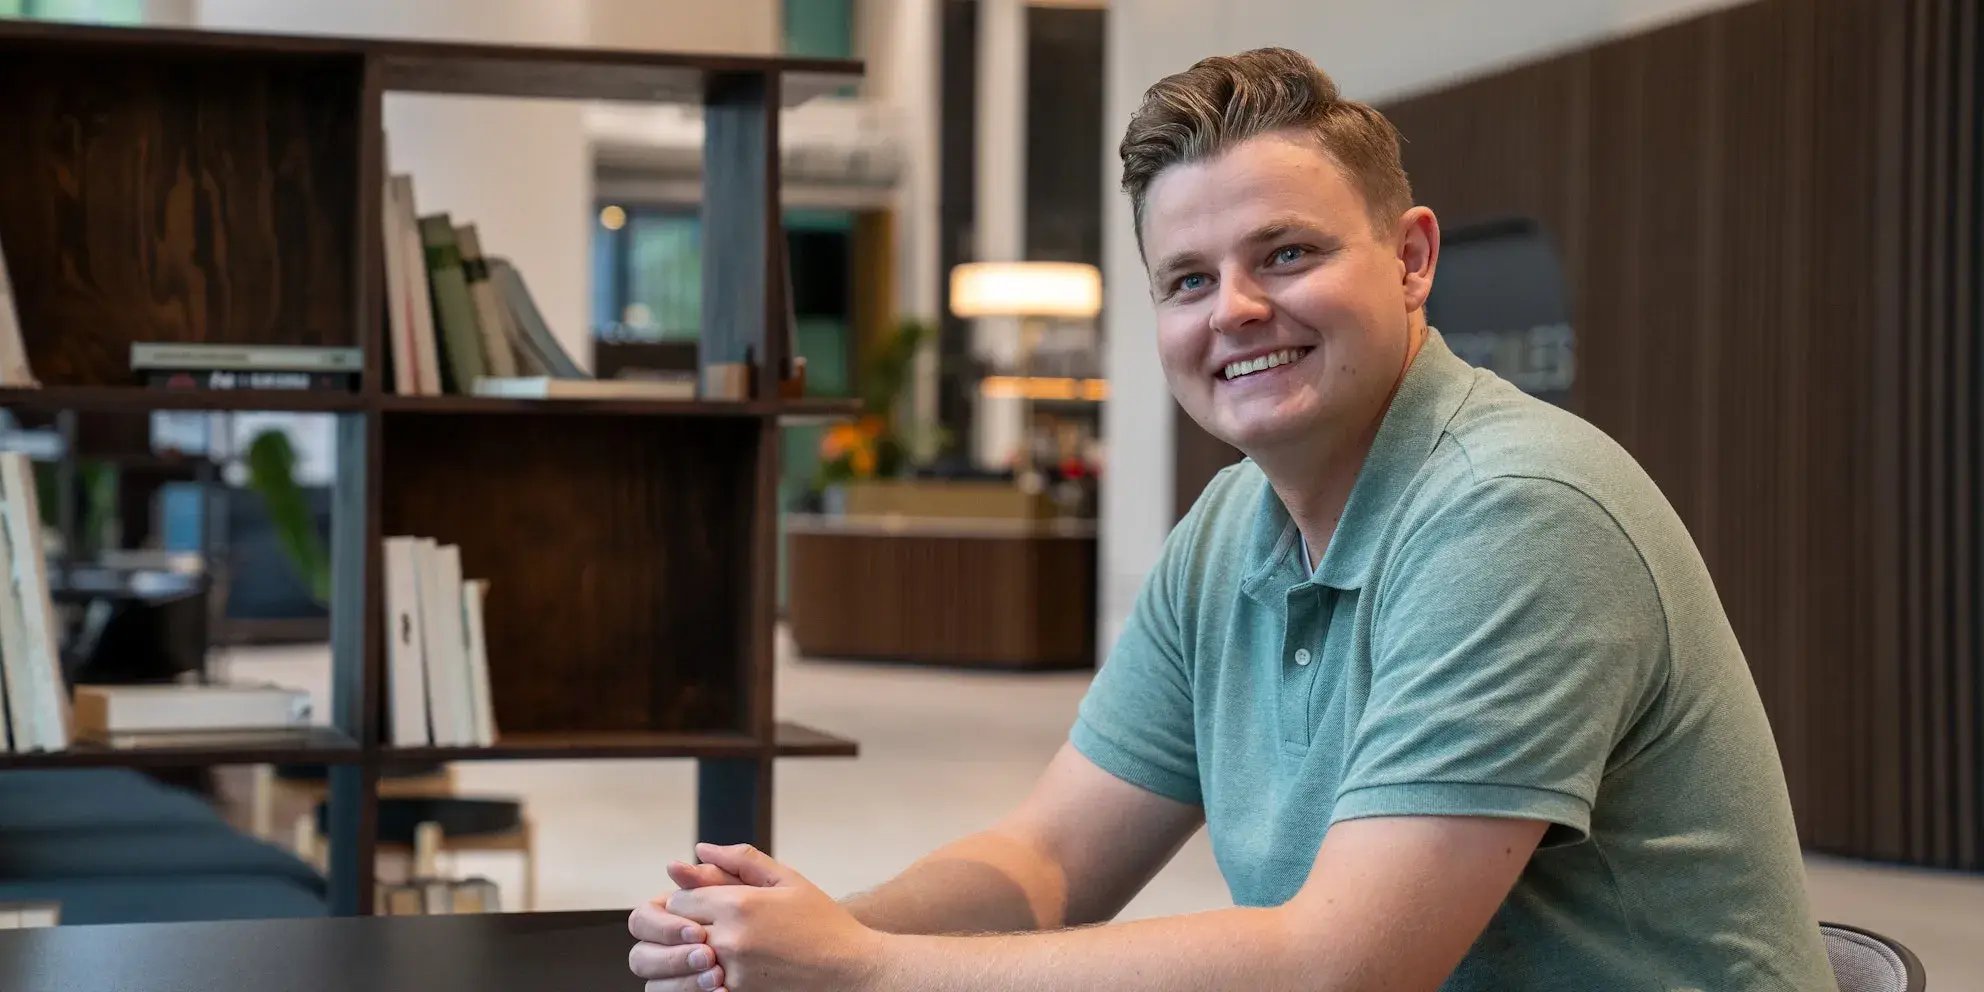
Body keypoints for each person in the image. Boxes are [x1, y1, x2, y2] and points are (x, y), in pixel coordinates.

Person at [628, 46, 1836, 992]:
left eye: (1288, 253)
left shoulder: (1515, 514)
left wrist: (868, 968)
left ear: (1411, 259)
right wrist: (800, 934)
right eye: (1188, 280)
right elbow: (1048, 858)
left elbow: (1344, 964)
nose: (1237, 310)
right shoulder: (1228, 527)